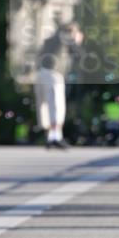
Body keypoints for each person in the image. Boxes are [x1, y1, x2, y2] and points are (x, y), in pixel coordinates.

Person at [33, 21, 83, 150]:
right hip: (53, 74)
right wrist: (77, 41)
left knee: (46, 106)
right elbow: (79, 55)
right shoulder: (66, 37)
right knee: (57, 106)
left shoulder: (50, 39)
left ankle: (52, 137)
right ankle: (55, 138)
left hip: (40, 73)